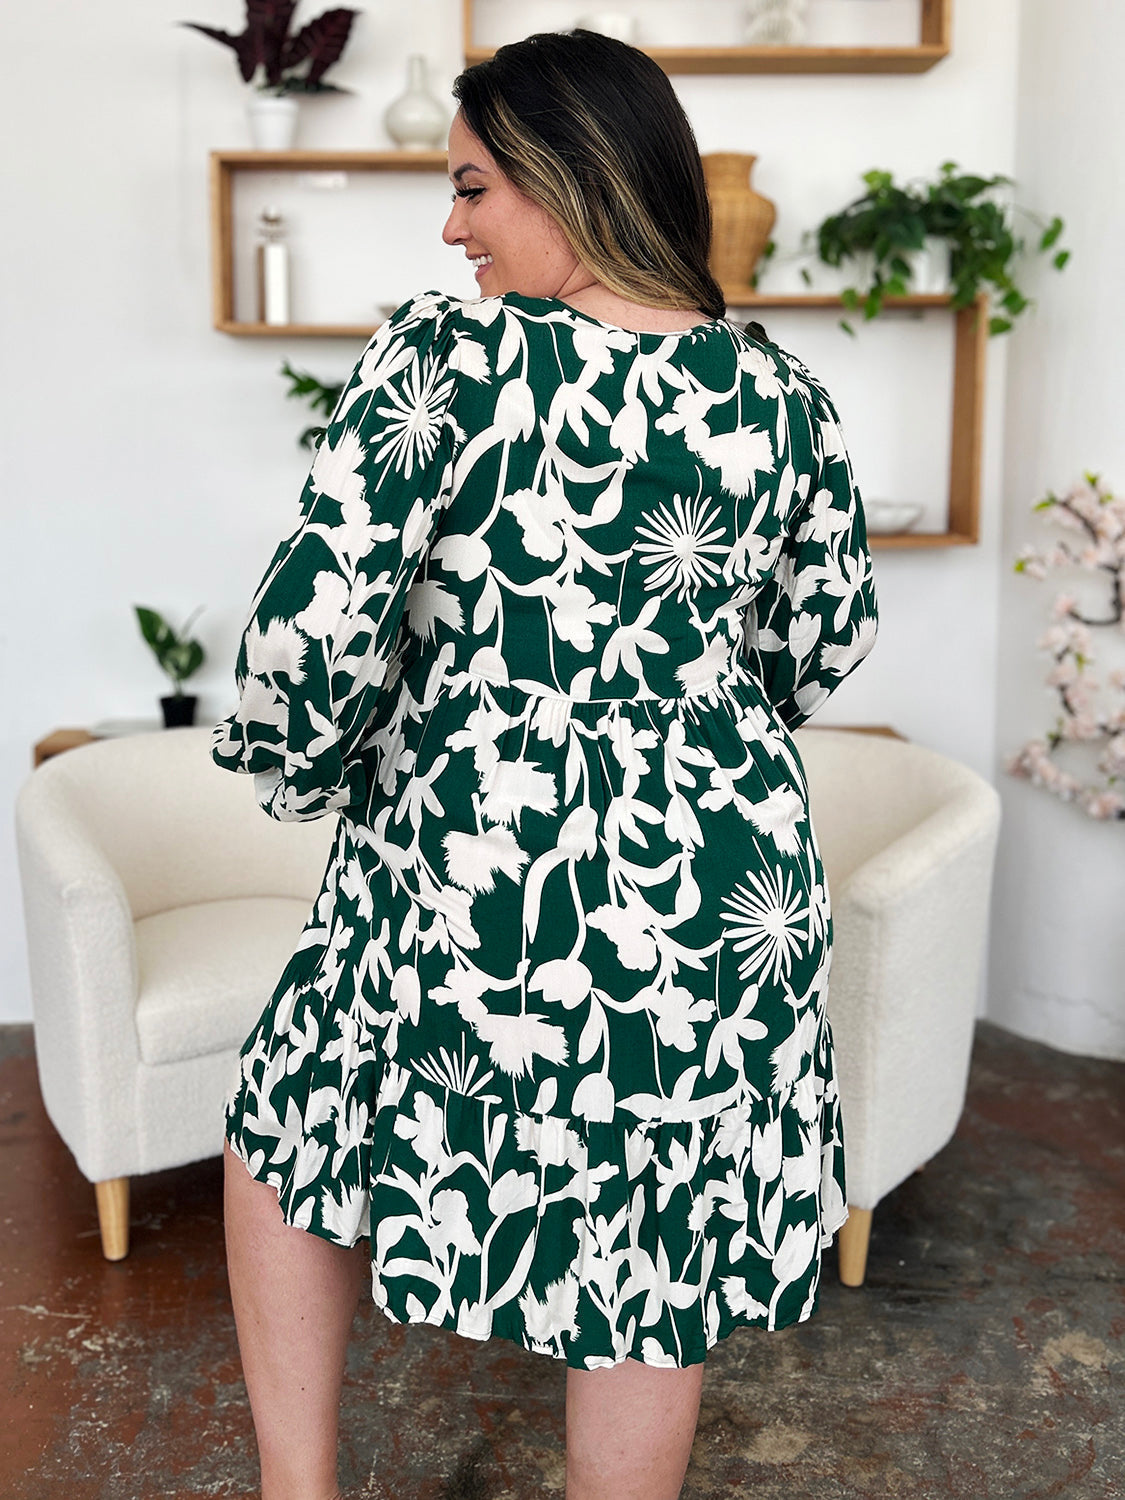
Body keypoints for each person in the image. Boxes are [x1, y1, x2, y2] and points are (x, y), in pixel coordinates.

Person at [210, 28, 878, 1500]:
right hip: (716, 875)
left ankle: (297, 1493)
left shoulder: (449, 356)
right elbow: (816, 650)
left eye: (470, 188)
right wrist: (675, 720)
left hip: (473, 848)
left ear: (570, 183)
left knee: (294, 1121)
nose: (450, 229)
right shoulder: (784, 399)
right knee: (651, 1219)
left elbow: (314, 624)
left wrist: (315, 764)